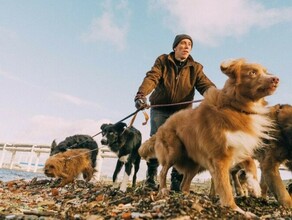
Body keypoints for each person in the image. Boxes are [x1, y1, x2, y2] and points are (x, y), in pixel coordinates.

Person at [134, 34, 216, 191]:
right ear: (175, 47)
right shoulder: (163, 61)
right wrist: (141, 95)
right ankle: (151, 179)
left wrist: (216, 97)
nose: (186, 46)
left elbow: (206, 85)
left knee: (183, 145)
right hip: (160, 109)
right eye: (183, 43)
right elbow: (152, 78)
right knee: (158, 141)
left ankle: (177, 182)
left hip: (183, 114)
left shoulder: (195, 67)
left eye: (189, 44)